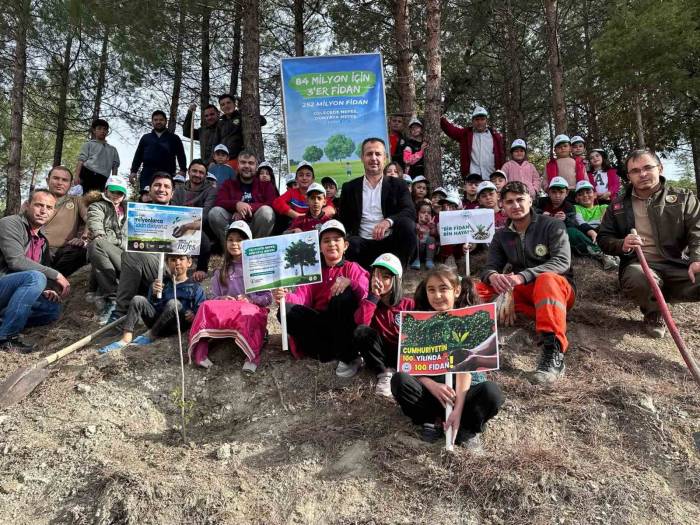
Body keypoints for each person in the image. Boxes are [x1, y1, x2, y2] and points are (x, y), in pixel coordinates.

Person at [391, 265, 505, 447]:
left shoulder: (470, 320)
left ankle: (466, 428)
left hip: (464, 395)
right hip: (431, 395)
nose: (437, 296)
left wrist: (457, 410)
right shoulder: (418, 322)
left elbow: (466, 371)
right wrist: (432, 384)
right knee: (400, 381)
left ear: (457, 290)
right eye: (431, 290)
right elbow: (410, 366)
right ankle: (431, 421)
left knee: (492, 393)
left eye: (443, 289)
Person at [477, 181, 575, 385]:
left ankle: (553, 353)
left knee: (546, 279)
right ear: (502, 206)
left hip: (557, 290)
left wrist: (521, 276)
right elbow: (489, 267)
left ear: (531, 200)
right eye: (509, 201)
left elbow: (562, 262)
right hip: (523, 293)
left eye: (520, 199)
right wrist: (494, 276)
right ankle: (453, 329)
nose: (516, 205)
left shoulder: (552, 225)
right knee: (471, 286)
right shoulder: (501, 235)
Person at [597, 149, 700, 338]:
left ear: (659, 168)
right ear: (628, 176)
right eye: (635, 171)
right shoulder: (618, 205)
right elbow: (603, 239)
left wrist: (697, 258)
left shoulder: (683, 197)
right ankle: (654, 313)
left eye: (647, 168)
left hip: (679, 263)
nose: (642, 174)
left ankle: (666, 293)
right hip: (640, 265)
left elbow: (697, 230)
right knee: (638, 278)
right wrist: (622, 244)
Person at [273, 220, 369, 376]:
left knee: (343, 294)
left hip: (345, 325)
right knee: (286, 310)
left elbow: (366, 294)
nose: (331, 244)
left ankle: (348, 356)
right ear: (320, 247)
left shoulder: (353, 268)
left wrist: (351, 283)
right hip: (321, 325)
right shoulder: (313, 272)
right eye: (326, 240)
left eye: (336, 239)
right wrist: (285, 296)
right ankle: (327, 352)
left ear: (345, 246)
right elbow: (301, 297)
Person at [188, 221, 272, 372]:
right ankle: (201, 350)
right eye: (231, 239)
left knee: (248, 311)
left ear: (249, 242)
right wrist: (222, 299)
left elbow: (268, 298)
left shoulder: (258, 268)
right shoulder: (221, 271)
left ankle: (252, 355)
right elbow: (213, 298)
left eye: (240, 240)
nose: (234, 243)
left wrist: (251, 299)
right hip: (229, 311)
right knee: (205, 306)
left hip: (250, 311)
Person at [0, 190, 67, 352]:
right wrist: (55, 275)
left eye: (49, 207)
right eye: (38, 205)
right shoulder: (10, 223)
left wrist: (44, 290)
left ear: (53, 212)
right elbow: (16, 261)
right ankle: (7, 337)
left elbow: (31, 274)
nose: (43, 210)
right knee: (35, 277)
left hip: (10, 293)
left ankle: (4, 321)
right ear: (27, 205)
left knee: (51, 310)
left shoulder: (43, 241)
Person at [98, 254, 205, 353]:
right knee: (138, 299)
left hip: (177, 325)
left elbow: (202, 310)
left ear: (189, 263)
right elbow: (151, 305)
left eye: (181, 259)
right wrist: (153, 293)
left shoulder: (194, 287)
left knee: (174, 304)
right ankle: (126, 338)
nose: (177, 263)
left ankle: (151, 335)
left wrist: (193, 315)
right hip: (158, 321)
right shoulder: (162, 283)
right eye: (173, 260)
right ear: (167, 263)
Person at [339, 138, 417, 269]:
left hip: (390, 240)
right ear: (362, 158)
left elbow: (409, 211)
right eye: (369, 154)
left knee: (407, 225)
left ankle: (398, 273)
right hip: (361, 243)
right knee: (350, 242)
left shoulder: (398, 184)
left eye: (378, 154)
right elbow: (343, 220)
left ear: (385, 158)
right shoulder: (349, 188)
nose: (373, 158)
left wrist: (388, 221)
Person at [109, 173, 176, 322]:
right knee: (121, 251)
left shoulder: (182, 216)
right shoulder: (137, 214)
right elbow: (126, 243)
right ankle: (115, 306)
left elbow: (200, 244)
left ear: (172, 193)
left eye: (166, 186)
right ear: (150, 190)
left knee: (133, 254)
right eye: (157, 185)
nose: (161, 189)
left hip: (167, 271)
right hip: (137, 268)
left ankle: (120, 312)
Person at [353, 253, 415, 397]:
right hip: (380, 354)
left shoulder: (409, 304)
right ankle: (384, 374)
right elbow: (361, 325)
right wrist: (373, 297)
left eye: (386, 277)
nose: (379, 281)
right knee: (362, 331)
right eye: (376, 275)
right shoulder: (368, 302)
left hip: (404, 353)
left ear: (397, 280)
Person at [209, 150, 277, 245]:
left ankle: (254, 248)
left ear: (256, 167)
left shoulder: (266, 185)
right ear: (237, 165)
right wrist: (236, 204)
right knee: (215, 213)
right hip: (233, 225)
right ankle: (230, 249)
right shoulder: (228, 184)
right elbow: (219, 201)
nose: (247, 166)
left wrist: (247, 207)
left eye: (251, 163)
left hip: (255, 224)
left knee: (267, 211)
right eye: (243, 162)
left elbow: (272, 202)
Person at [87, 175, 129, 324]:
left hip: (127, 254)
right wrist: (99, 234)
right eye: (113, 191)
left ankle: (100, 292)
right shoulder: (97, 206)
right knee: (97, 245)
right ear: (106, 190)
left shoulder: (131, 209)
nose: (116, 195)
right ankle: (113, 299)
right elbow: (95, 221)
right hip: (106, 248)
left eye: (120, 192)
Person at [38, 166, 89, 277]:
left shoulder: (77, 201)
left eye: (64, 180)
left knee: (79, 252)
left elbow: (91, 219)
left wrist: (83, 238)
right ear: (48, 180)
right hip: (37, 248)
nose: (60, 183)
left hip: (64, 252)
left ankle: (54, 282)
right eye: (56, 178)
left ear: (71, 184)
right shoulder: (35, 200)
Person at [171, 159, 217, 281]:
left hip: (201, 226)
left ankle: (201, 268)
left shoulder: (211, 190)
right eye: (194, 171)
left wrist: (188, 225)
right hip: (178, 225)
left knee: (203, 237)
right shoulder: (179, 190)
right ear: (188, 172)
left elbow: (206, 213)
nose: (197, 174)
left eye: (201, 172)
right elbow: (174, 210)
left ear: (205, 175)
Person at [440, 106, 505, 179]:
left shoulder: (496, 137)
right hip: (473, 179)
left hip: (492, 178)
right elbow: (451, 130)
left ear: (486, 121)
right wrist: (441, 118)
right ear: (472, 121)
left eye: (482, 119)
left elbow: (503, 155)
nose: (479, 122)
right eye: (477, 120)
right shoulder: (466, 134)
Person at [130, 110, 187, 190]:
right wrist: (133, 171)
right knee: (146, 198)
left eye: (161, 120)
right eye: (156, 120)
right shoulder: (146, 138)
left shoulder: (174, 138)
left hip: (167, 174)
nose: (158, 122)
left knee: (164, 198)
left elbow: (181, 155)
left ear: (165, 121)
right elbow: (138, 156)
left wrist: (183, 170)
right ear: (152, 122)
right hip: (147, 174)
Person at [572, 180, 618, 270]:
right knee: (571, 232)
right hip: (586, 234)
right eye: (580, 194)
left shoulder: (604, 207)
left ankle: (611, 252)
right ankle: (602, 254)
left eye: (588, 192)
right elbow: (580, 221)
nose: (585, 195)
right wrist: (592, 232)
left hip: (602, 235)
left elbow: (609, 223)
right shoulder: (575, 208)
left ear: (595, 195)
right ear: (576, 199)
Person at [214, 93, 267, 165]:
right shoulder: (220, 123)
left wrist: (243, 109)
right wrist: (213, 161)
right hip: (223, 160)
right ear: (221, 108)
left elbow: (263, 121)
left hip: (239, 159)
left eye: (228, 103)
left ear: (234, 104)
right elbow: (216, 142)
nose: (226, 106)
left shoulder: (241, 115)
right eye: (222, 105)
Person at [75, 119, 120, 192]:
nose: (102, 131)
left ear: (107, 132)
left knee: (98, 199)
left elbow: (115, 167)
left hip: (103, 178)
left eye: (105, 129)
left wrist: (113, 183)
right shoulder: (88, 145)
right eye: (99, 128)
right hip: (87, 174)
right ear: (94, 130)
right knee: (84, 198)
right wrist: (76, 176)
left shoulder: (113, 150)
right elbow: (81, 160)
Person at [272, 161, 317, 233]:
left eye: (308, 175)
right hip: (296, 228)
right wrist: (297, 215)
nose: (304, 178)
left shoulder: (318, 191)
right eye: (301, 175)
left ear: (313, 179)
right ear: (296, 179)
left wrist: (314, 217)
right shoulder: (292, 192)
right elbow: (277, 202)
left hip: (314, 226)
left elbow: (331, 208)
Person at [411, 200, 437, 270]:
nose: (426, 214)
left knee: (431, 238)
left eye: (429, 213)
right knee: (415, 237)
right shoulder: (415, 224)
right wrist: (418, 226)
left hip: (428, 252)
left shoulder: (431, 225)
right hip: (417, 252)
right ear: (417, 214)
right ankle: (416, 260)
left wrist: (432, 228)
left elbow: (434, 234)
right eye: (423, 212)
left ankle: (429, 261)